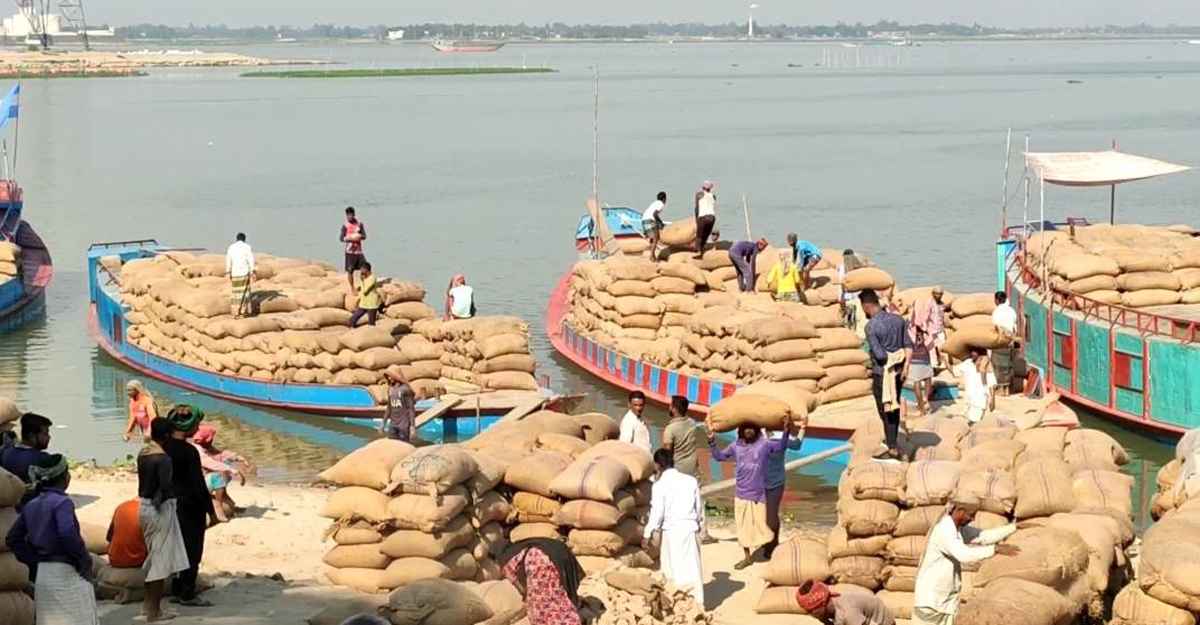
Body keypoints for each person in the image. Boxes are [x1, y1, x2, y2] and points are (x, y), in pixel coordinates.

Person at [5, 454, 99, 624]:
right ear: (63, 477)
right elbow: (67, 533)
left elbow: (13, 538)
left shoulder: (32, 505)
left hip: (44, 575)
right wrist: (83, 559)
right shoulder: (62, 503)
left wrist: (34, 560)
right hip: (67, 572)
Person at [913, 501, 1024, 625]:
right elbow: (963, 554)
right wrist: (994, 549)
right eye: (971, 515)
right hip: (933, 601)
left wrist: (1014, 527)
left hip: (944, 602)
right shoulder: (944, 529)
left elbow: (983, 536)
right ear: (960, 511)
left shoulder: (958, 530)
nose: (972, 519)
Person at [707, 417, 793, 569]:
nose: (749, 431)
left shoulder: (764, 445)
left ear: (757, 430)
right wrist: (711, 441)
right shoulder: (735, 446)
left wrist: (786, 430)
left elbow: (781, 447)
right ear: (740, 430)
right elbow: (719, 456)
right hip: (741, 493)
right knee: (742, 528)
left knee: (767, 524)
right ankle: (747, 557)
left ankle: (772, 546)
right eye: (746, 428)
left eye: (752, 428)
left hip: (758, 494)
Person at [163, 405, 218, 607]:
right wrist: (211, 511)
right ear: (188, 426)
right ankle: (187, 593)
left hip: (169, 503)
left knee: (176, 547)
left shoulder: (163, 447)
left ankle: (176, 587)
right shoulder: (188, 452)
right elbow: (198, 484)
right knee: (192, 548)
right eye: (197, 424)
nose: (198, 427)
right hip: (189, 505)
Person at [138, 418, 190, 622]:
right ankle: (154, 611)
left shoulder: (143, 454)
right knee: (160, 560)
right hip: (159, 509)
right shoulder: (163, 459)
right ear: (168, 435)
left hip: (143, 506)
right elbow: (166, 487)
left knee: (152, 556)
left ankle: (146, 605)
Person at [642, 448, 705, 605]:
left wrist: (647, 533)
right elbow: (699, 508)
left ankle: (679, 604)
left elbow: (657, 513)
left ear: (657, 465)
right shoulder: (690, 480)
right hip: (690, 529)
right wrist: (698, 525)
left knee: (672, 570)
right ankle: (697, 604)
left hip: (672, 531)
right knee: (693, 568)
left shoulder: (659, 485)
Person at [862, 290, 912, 461]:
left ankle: (892, 448)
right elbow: (908, 345)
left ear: (866, 307)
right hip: (898, 372)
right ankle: (892, 440)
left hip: (882, 374)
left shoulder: (871, 327)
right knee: (894, 405)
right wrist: (905, 366)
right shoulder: (898, 320)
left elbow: (881, 355)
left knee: (886, 408)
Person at [500, 538, 585, 625]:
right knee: (556, 594)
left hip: (538, 560)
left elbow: (517, 583)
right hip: (555, 553)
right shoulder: (519, 548)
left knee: (540, 603)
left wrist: (526, 595)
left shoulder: (504, 560)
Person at [764, 414, 807, 558]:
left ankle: (773, 542)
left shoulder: (780, 437)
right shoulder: (757, 436)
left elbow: (797, 445)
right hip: (758, 483)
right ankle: (766, 540)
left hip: (776, 482)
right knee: (761, 515)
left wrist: (803, 428)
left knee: (771, 516)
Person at [192, 424, 254, 523]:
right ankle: (218, 505)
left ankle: (229, 504)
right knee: (218, 475)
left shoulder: (206, 447)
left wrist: (242, 459)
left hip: (203, 482)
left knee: (225, 464)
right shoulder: (196, 450)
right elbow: (211, 463)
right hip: (195, 487)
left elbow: (221, 455)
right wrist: (234, 471)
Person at [0, 412, 52, 510]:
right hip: (31, 507)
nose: (49, 437)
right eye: (45, 434)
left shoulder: (6, 452)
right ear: (32, 436)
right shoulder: (42, 459)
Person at [797, 580, 895, 625]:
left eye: (811, 611)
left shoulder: (848, 611)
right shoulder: (830, 610)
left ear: (821, 605)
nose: (810, 615)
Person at [953, 347, 996, 423]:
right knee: (969, 423)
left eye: (975, 352)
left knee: (974, 422)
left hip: (979, 401)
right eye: (971, 351)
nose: (972, 353)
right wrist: (944, 359)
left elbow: (991, 383)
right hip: (968, 401)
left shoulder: (987, 365)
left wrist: (992, 399)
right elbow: (954, 372)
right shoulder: (968, 363)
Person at [105, 499, 147, 570]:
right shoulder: (150, 512)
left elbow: (108, 537)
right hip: (136, 562)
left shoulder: (121, 507)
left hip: (114, 559)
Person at [990, 291, 1018, 395]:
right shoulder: (1011, 310)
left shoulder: (997, 311)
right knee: (1008, 366)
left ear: (996, 300)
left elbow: (996, 327)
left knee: (998, 366)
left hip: (1000, 341)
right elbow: (1015, 326)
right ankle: (1007, 390)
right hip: (1010, 341)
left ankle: (1000, 390)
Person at [379, 365, 417, 442]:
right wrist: (383, 423)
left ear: (396, 376)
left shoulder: (406, 389)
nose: (389, 378)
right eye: (388, 377)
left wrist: (412, 427)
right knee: (392, 445)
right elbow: (389, 408)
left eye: (391, 376)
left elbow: (411, 408)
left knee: (403, 446)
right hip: (393, 424)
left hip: (403, 425)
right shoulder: (390, 389)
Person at [912, 286, 947, 369]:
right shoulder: (929, 304)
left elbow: (942, 318)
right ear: (933, 294)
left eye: (940, 294)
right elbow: (925, 316)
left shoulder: (942, 304)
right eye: (937, 294)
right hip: (931, 330)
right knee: (931, 348)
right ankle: (933, 365)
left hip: (940, 329)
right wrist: (924, 329)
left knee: (942, 347)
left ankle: (943, 364)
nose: (939, 296)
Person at [225, 232, 255, 318]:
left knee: (236, 293)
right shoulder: (247, 247)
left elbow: (228, 260)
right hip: (244, 273)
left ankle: (235, 312)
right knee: (244, 293)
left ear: (237, 239)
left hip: (235, 273)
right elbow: (250, 259)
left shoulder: (231, 247)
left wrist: (228, 271)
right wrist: (252, 271)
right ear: (244, 239)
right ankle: (242, 311)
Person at [908, 326, 935, 417]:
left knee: (917, 382)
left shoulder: (909, 332)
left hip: (914, 360)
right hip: (925, 358)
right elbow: (933, 344)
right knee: (928, 378)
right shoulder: (926, 331)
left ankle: (921, 408)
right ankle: (925, 399)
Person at [340, 206, 367, 291]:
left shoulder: (359, 225)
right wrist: (350, 239)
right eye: (348, 215)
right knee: (350, 270)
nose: (349, 217)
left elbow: (364, 236)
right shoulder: (345, 226)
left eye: (351, 215)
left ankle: (364, 285)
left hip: (358, 251)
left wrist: (359, 237)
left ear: (354, 214)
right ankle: (352, 287)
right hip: (349, 251)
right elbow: (341, 238)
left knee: (364, 267)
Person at [348, 262, 380, 327]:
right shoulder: (365, 278)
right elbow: (362, 288)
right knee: (352, 319)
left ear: (366, 270)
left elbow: (365, 291)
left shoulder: (372, 278)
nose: (360, 271)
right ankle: (354, 333)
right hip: (363, 304)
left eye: (361, 269)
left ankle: (372, 336)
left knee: (371, 324)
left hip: (371, 305)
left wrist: (362, 281)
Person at [693, 181, 717, 258]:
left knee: (699, 236)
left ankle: (697, 252)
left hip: (703, 217)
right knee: (705, 236)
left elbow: (696, 208)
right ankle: (702, 251)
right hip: (712, 218)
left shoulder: (699, 194)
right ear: (710, 188)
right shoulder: (713, 196)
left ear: (703, 187)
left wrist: (697, 218)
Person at [643, 191, 667, 259]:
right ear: (664, 199)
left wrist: (658, 223)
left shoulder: (655, 203)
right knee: (656, 237)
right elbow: (655, 214)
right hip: (650, 220)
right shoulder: (661, 204)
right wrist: (661, 222)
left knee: (652, 238)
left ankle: (652, 254)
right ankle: (652, 255)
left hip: (644, 219)